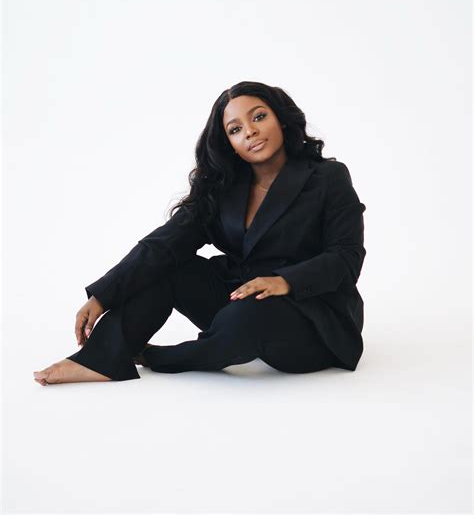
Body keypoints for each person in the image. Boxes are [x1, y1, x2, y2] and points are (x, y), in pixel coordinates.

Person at [33, 80, 367, 385]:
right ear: (229, 143)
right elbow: (163, 245)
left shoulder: (328, 178)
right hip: (240, 299)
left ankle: (156, 357)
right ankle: (101, 359)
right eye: (235, 129)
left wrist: (284, 281)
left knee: (246, 318)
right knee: (167, 268)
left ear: (280, 119)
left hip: (310, 315)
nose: (250, 132)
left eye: (259, 117)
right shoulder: (224, 187)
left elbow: (346, 256)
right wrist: (103, 296)